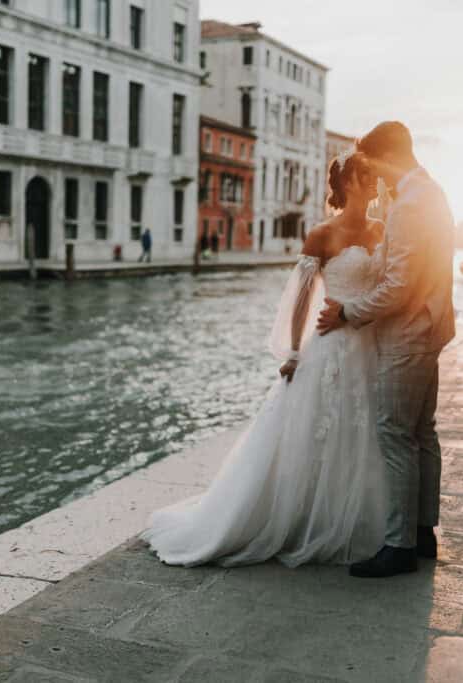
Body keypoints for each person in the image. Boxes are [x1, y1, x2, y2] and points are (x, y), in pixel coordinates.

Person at [142, 148, 389, 568]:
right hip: (329, 344)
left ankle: (354, 517)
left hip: (371, 342)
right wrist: (293, 352)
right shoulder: (321, 235)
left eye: (375, 176)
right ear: (347, 184)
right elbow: (301, 300)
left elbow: (390, 285)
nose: (375, 183)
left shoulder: (384, 230)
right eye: (367, 175)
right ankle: (302, 518)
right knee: (315, 431)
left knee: (363, 433)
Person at [317, 121, 455, 577]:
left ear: (389, 157)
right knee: (422, 432)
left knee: (395, 433)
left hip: (408, 332)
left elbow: (398, 286)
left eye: (375, 165)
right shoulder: (431, 193)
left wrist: (347, 312)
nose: (375, 176)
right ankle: (422, 533)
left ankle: (398, 546)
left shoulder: (410, 205)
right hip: (431, 326)